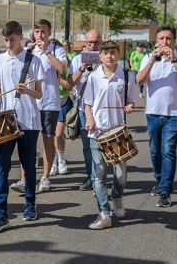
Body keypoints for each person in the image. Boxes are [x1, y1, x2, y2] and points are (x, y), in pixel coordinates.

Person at [0, 20, 44, 231]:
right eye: (6, 40)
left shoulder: (33, 60)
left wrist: (27, 91)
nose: (9, 43)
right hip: (7, 120)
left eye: (12, 39)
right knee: (1, 167)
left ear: (20, 37)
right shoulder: (0, 60)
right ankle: (1, 214)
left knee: (28, 165)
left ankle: (30, 204)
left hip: (29, 119)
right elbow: (1, 82)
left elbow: (39, 93)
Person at [136, 24, 177, 208]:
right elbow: (139, 80)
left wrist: (174, 60)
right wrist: (152, 60)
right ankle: (159, 179)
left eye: (168, 39)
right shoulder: (147, 57)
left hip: (174, 113)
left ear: (174, 41)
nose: (165, 42)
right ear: (156, 41)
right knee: (154, 150)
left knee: (168, 150)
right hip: (153, 112)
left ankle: (165, 191)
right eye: (161, 39)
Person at [83, 40, 137, 229]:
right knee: (99, 175)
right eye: (105, 53)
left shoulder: (127, 77)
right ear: (100, 56)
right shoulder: (93, 77)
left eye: (113, 52)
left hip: (118, 132)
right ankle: (104, 213)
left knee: (120, 175)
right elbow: (87, 103)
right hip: (98, 132)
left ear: (118, 53)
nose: (109, 56)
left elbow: (131, 101)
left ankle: (117, 198)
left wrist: (130, 106)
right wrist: (89, 120)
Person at [25, 19, 67, 193]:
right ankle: (26, 178)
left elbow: (62, 69)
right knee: (28, 141)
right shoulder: (29, 51)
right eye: (37, 32)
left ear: (49, 33)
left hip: (49, 101)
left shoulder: (58, 50)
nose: (40, 35)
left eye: (43, 31)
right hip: (31, 102)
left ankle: (45, 177)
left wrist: (47, 51)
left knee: (48, 140)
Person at [67, 29, 102, 191]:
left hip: (103, 109)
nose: (93, 46)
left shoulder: (106, 57)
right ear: (85, 44)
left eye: (96, 42)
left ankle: (103, 177)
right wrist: (82, 68)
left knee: (104, 145)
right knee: (87, 145)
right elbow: (70, 84)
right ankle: (91, 176)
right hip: (83, 108)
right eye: (90, 43)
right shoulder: (76, 60)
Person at [51, 38, 73, 176]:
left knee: (58, 134)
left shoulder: (65, 66)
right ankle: (52, 160)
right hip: (49, 102)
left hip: (63, 101)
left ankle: (61, 159)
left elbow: (69, 86)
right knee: (51, 134)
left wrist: (57, 77)